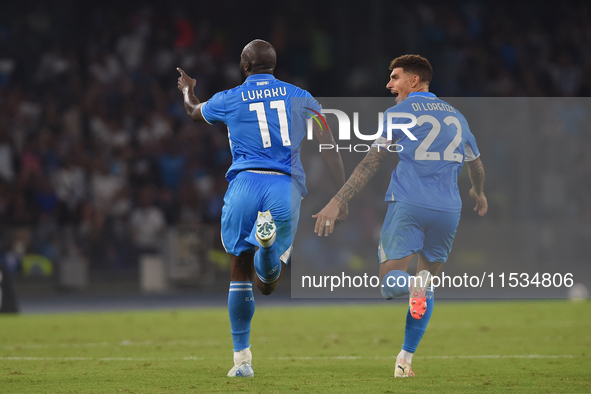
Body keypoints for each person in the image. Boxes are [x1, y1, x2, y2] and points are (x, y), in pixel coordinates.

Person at [177, 39, 347, 377]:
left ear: (244, 66)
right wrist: (341, 195)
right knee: (267, 284)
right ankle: (267, 248)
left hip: (243, 186)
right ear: (273, 65)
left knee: (239, 272)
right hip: (282, 187)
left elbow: (194, 112)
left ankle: (242, 362)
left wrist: (187, 89)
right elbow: (329, 144)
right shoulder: (302, 97)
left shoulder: (229, 98)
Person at [313, 54, 487, 378]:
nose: (389, 85)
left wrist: (338, 200)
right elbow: (476, 165)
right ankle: (405, 359)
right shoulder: (457, 117)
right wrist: (478, 191)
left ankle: (413, 287)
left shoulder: (399, 112)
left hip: (409, 203)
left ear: (414, 81)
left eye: (395, 77)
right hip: (449, 210)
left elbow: (371, 161)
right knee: (426, 285)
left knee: (391, 284)